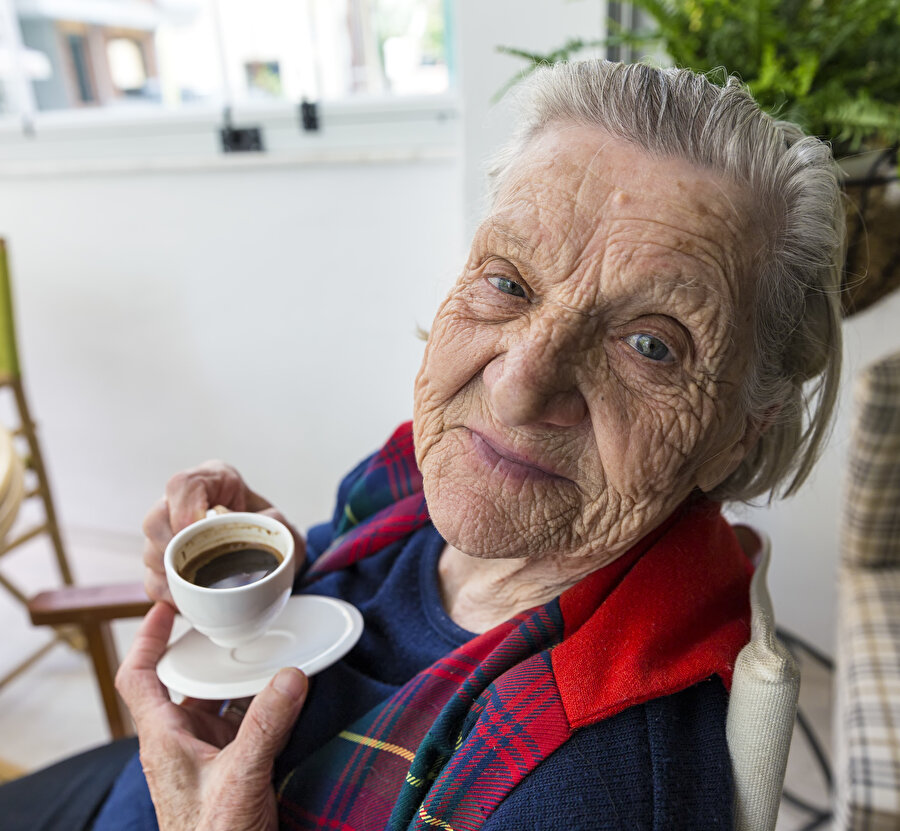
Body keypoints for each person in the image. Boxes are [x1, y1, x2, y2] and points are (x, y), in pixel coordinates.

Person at [1, 59, 844, 830]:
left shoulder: (581, 790)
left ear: (738, 433)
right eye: (509, 282)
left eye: (651, 344)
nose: (519, 384)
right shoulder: (427, 476)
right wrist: (269, 578)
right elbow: (357, 591)